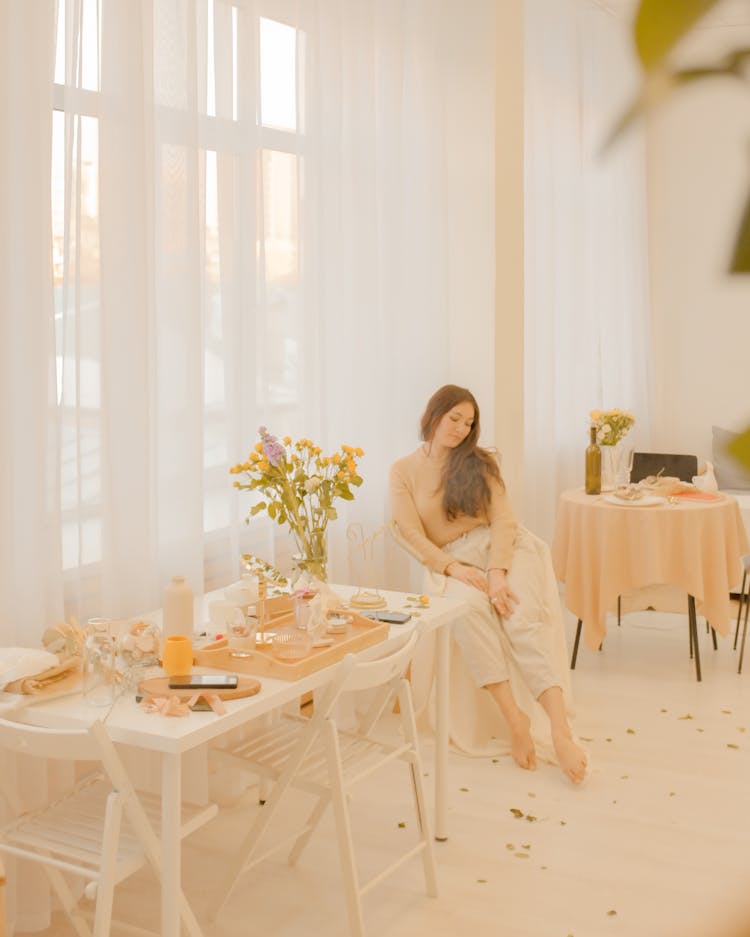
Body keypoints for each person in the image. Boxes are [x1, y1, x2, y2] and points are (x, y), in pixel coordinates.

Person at [389, 384, 587, 784]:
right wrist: (451, 567)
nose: (461, 429)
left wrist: (498, 571)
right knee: (470, 614)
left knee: (518, 618)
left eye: (469, 422)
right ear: (433, 415)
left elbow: (503, 519)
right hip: (456, 563)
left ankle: (559, 730)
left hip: (508, 550)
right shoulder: (403, 471)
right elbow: (409, 532)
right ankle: (515, 720)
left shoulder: (480, 462)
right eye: (454, 419)